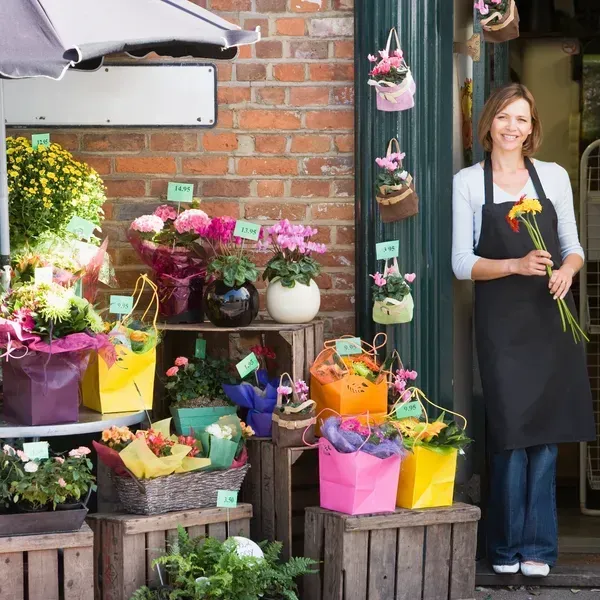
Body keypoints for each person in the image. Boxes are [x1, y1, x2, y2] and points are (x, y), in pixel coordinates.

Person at [452, 83, 595, 578]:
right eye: (504, 118)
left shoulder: (552, 177)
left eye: (522, 119)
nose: (513, 127)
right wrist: (514, 263)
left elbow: (573, 245)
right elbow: (460, 263)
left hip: (552, 317)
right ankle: (505, 547)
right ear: (488, 122)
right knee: (511, 437)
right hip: (502, 327)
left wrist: (566, 271)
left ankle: (539, 549)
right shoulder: (469, 182)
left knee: (547, 437)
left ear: (532, 128)